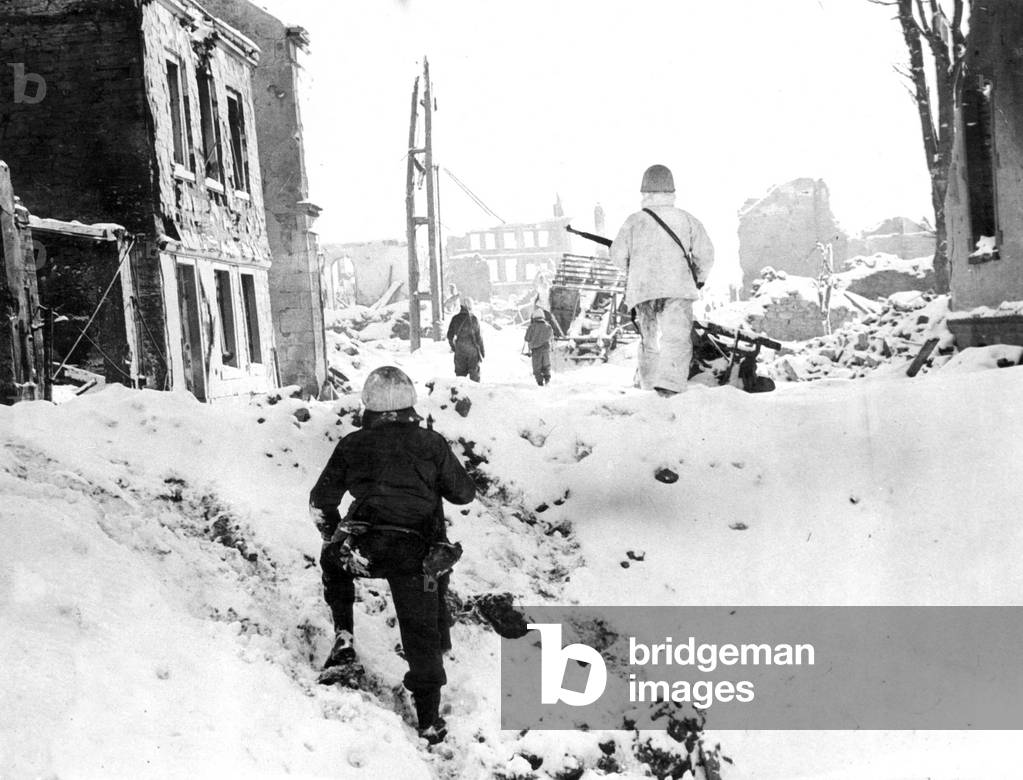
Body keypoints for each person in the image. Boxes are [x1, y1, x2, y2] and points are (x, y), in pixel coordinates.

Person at [309, 366, 476, 743]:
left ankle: (344, 635)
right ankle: (429, 720)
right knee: (420, 633)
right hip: (416, 554)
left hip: (365, 548)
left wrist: (335, 536)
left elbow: (321, 502)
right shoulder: (430, 443)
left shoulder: (352, 444)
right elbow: (464, 495)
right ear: (410, 404)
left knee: (332, 562)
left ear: (368, 406)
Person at [610, 164, 715, 396]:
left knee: (648, 339)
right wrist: (698, 279)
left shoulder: (634, 221)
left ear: (644, 192)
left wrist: (636, 271)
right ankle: (670, 386)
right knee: (675, 338)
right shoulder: (687, 220)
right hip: (677, 287)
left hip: (643, 290)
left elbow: (617, 256)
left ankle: (648, 385)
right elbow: (705, 255)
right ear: (671, 191)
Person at [445, 299, 485, 382]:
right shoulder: (473, 319)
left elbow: (449, 336)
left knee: (460, 379)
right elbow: (479, 337)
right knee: (474, 378)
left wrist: (454, 347)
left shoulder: (455, 319)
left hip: (460, 351)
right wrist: (482, 351)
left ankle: (461, 394)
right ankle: (474, 394)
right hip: (472, 351)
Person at [523, 307, 554, 386]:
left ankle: (540, 382)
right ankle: (547, 379)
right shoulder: (548, 326)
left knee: (537, 367)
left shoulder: (532, 326)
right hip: (546, 349)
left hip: (536, 350)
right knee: (546, 365)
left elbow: (527, 338)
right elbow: (551, 337)